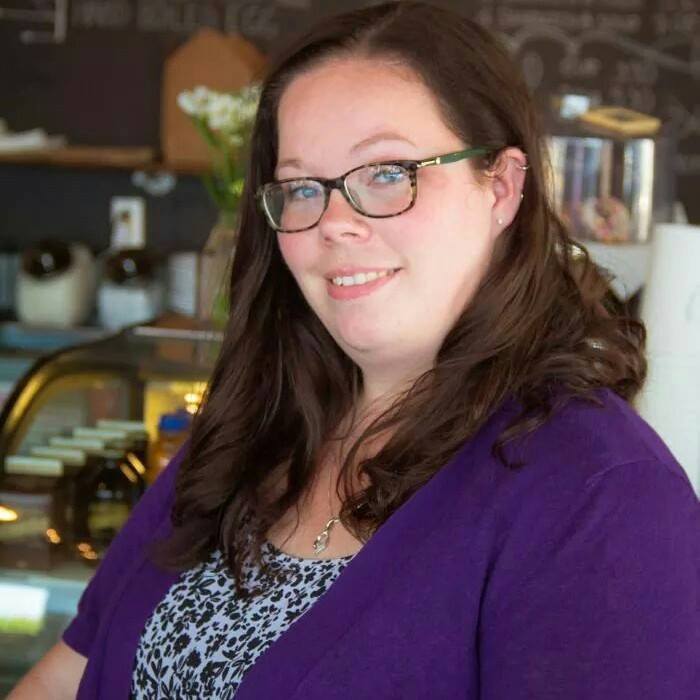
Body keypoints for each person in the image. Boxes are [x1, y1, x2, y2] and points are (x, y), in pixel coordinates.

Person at [10, 2, 699, 698]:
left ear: (501, 187)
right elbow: (65, 676)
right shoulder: (255, 428)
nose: (335, 223)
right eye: (301, 187)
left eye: (388, 173)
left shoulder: (603, 499)